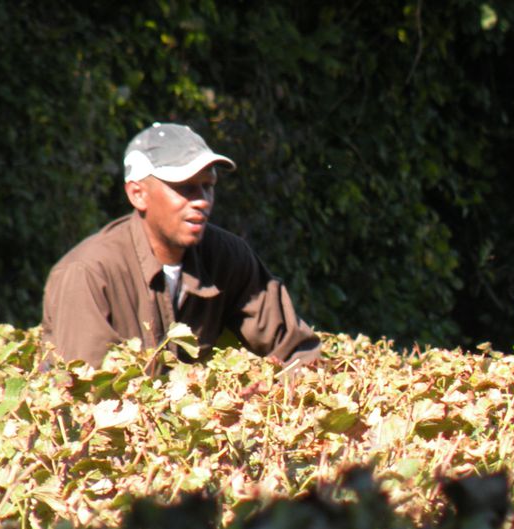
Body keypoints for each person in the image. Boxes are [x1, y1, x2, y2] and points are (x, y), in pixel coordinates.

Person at [42, 122, 321, 370]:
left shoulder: (227, 256)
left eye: (207, 186)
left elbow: (298, 352)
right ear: (138, 194)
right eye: (185, 187)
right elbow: (87, 396)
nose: (202, 200)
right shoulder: (87, 273)